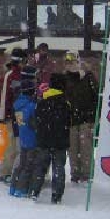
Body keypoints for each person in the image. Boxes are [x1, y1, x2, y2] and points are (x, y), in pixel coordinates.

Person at [28, 73, 71, 204]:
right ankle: (56, 195)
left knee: (40, 167)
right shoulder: (66, 104)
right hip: (60, 142)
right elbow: (69, 122)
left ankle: (35, 191)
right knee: (59, 169)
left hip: (43, 141)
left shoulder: (42, 102)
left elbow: (34, 121)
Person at [63, 51, 99, 183]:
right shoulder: (64, 79)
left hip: (86, 119)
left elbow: (96, 97)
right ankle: (75, 173)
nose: (69, 65)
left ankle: (87, 174)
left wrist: (95, 116)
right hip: (71, 119)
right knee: (72, 148)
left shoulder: (87, 77)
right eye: (67, 62)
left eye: (72, 62)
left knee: (85, 148)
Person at [0, 47, 26, 183]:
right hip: (12, 115)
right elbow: (3, 97)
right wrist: (3, 116)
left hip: (18, 114)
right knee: (12, 145)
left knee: (17, 144)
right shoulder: (10, 76)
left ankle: (12, 170)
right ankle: (5, 172)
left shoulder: (18, 75)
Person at [9, 66, 38, 198]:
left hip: (23, 137)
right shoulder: (32, 106)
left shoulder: (17, 104)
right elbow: (34, 123)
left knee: (21, 164)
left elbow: (21, 122)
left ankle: (13, 187)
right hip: (32, 139)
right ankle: (22, 189)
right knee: (28, 165)